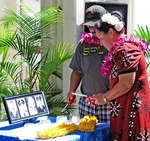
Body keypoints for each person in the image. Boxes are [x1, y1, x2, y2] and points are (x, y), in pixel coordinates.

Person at [89, 11, 150, 140]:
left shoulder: (125, 50)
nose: (100, 43)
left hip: (132, 115)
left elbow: (125, 83)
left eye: (100, 37)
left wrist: (104, 98)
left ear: (111, 33)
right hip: (125, 113)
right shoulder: (123, 49)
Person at [67, 5, 110, 123]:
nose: (91, 29)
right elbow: (77, 71)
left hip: (108, 102)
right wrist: (72, 90)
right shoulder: (83, 43)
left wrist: (106, 97)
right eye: (89, 26)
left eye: (94, 25)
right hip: (87, 102)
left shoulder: (112, 43)